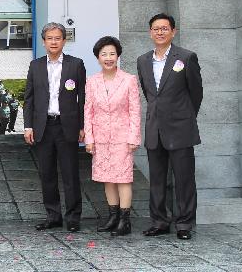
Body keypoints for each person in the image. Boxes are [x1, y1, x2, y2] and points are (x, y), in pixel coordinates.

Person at [137, 14, 203, 240]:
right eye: (156, 29)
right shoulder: (143, 60)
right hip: (155, 128)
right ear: (150, 32)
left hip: (181, 128)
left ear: (173, 32)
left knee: (184, 179)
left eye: (165, 28)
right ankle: (159, 221)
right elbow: (150, 95)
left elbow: (196, 93)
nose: (160, 32)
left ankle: (184, 224)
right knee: (157, 179)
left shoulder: (186, 57)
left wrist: (184, 116)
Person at [23, 22, 86, 233]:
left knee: (70, 174)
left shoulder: (76, 65)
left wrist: (82, 125)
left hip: (67, 125)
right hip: (43, 126)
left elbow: (83, 99)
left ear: (64, 41)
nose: (53, 42)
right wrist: (28, 126)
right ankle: (53, 215)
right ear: (43, 42)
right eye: (49, 38)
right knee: (47, 174)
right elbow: (29, 99)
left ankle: (74, 217)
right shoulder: (36, 65)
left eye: (57, 38)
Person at [83, 36, 141, 237]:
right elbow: (88, 111)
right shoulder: (91, 81)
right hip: (100, 138)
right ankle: (113, 217)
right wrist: (88, 139)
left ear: (118, 56)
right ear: (98, 57)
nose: (108, 58)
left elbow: (135, 110)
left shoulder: (129, 80)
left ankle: (125, 221)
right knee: (107, 178)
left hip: (122, 137)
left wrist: (134, 136)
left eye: (112, 54)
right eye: (104, 54)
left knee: (123, 178)